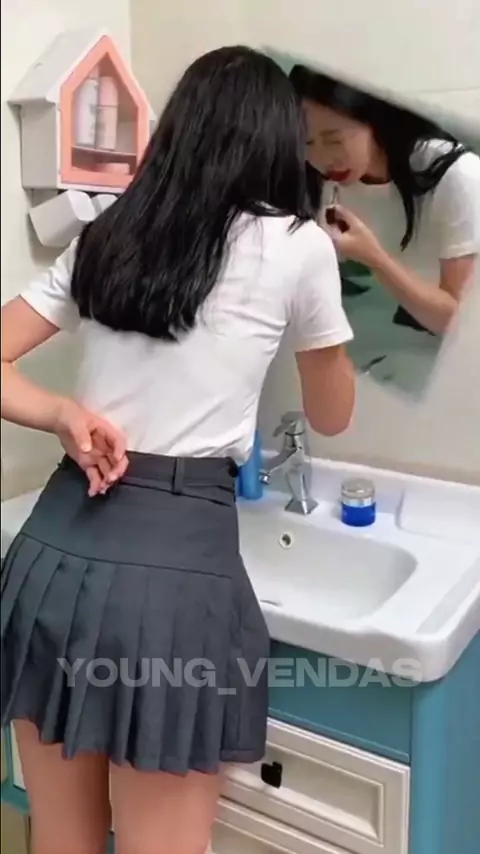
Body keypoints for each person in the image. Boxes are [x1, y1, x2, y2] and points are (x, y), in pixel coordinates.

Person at [1, 46, 355, 854]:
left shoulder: (109, 230)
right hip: (172, 584)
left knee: (61, 839)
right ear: (277, 141)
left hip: (50, 559)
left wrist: (62, 413)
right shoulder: (299, 245)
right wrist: (328, 322)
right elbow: (332, 416)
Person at [289, 64, 480, 335]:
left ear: (373, 122)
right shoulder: (323, 181)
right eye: (307, 143)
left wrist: (375, 259)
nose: (323, 159)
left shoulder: (458, 176)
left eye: (334, 140)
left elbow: (459, 325)